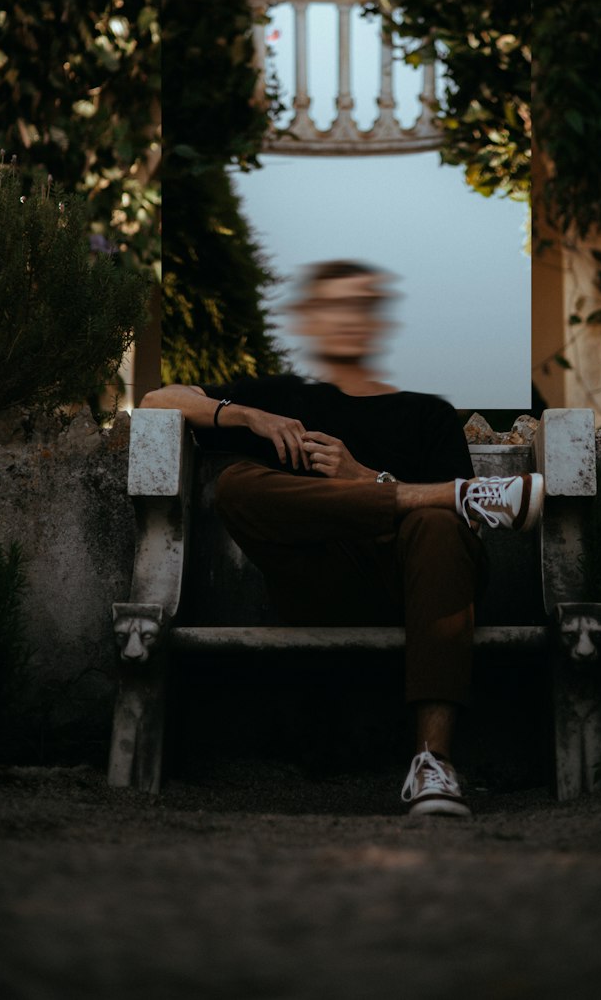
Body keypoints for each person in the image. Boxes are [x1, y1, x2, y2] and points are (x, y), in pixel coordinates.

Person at [140, 258, 543, 817]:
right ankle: (446, 492)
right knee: (237, 483)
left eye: (362, 304)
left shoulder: (427, 413)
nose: (348, 316)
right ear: (308, 319)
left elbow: (467, 532)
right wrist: (246, 416)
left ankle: (433, 763)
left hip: (419, 584)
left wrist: (364, 479)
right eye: (334, 304)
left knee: (438, 522)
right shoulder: (285, 398)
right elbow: (157, 401)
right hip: (320, 580)